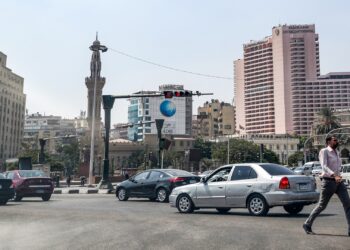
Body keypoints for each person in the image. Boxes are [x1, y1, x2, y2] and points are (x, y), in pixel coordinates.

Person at [303, 136, 350, 236]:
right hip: (328, 181)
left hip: (339, 181)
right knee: (322, 205)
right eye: (335, 140)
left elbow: (338, 167)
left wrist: (338, 175)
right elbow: (324, 166)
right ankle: (307, 224)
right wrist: (334, 175)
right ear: (329, 142)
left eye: (337, 139)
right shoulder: (324, 151)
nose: (337, 141)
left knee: (348, 204)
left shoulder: (337, 152)